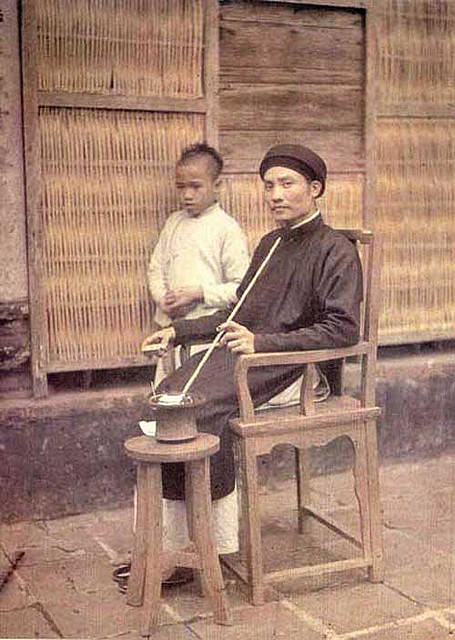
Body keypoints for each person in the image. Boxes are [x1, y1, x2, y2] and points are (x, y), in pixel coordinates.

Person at [140, 143, 363, 582]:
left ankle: (212, 548)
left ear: (314, 188)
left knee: (199, 410)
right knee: (168, 398)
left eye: (287, 184)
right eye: (268, 186)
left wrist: (261, 341)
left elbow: (343, 330)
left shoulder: (334, 249)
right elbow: (236, 314)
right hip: (252, 359)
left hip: (298, 370)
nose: (275, 194)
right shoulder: (270, 244)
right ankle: (175, 545)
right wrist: (180, 331)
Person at [147, 142, 249, 383]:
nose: (187, 195)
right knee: (166, 388)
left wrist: (198, 293)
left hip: (206, 332)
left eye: (195, 187)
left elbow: (240, 289)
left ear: (216, 186)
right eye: (181, 187)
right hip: (170, 327)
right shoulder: (174, 222)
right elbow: (156, 267)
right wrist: (164, 299)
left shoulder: (227, 229)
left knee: (196, 389)